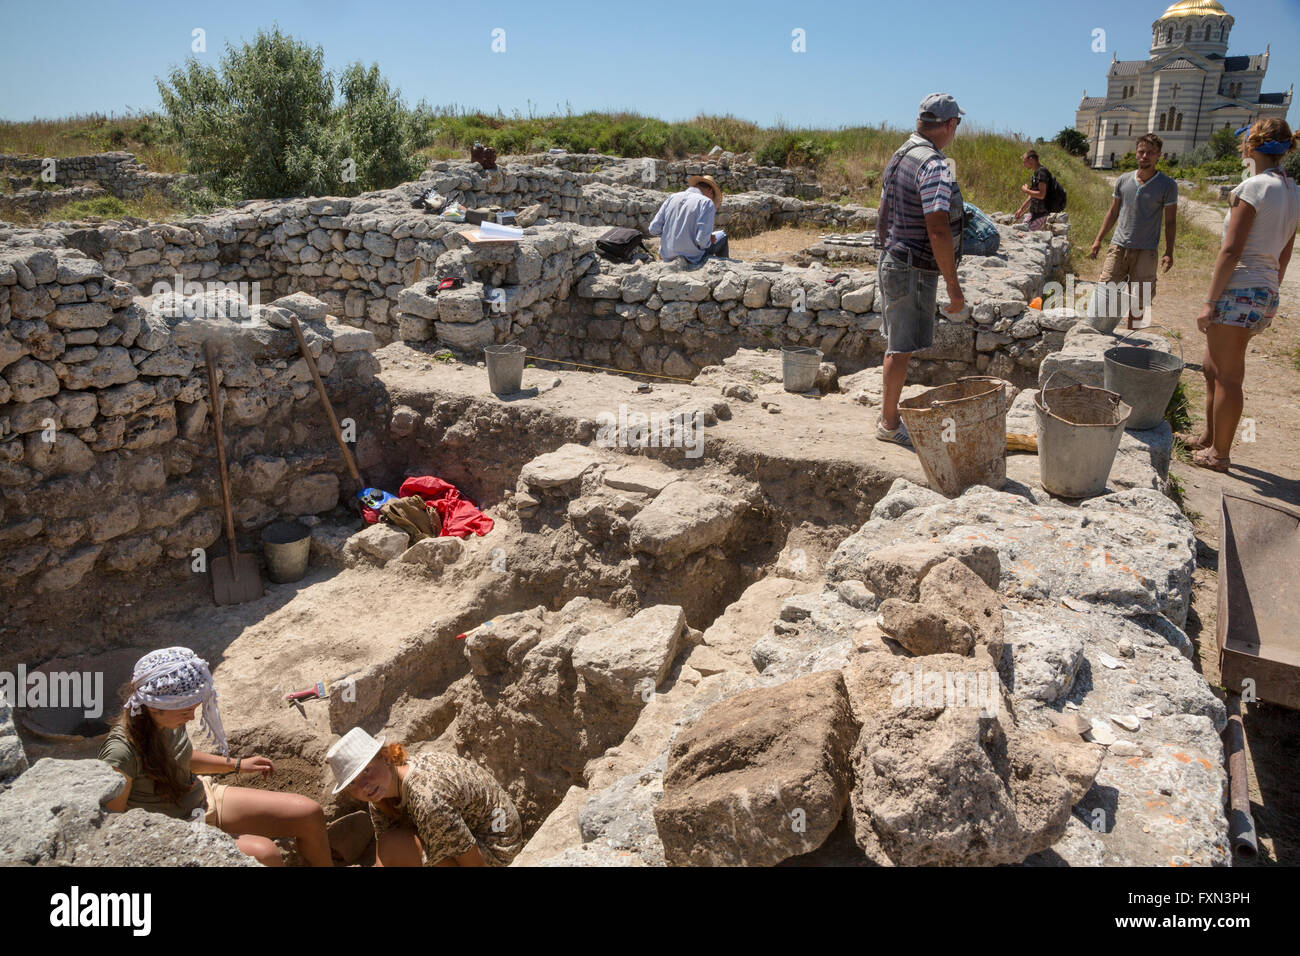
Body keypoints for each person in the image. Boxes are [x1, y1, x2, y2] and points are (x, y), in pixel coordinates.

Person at [99, 646, 332, 866]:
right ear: (154, 706)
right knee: (265, 855)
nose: (191, 718)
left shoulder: (166, 721)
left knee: (308, 814)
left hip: (200, 799)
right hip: (175, 830)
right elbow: (115, 825)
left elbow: (183, 757)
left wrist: (237, 765)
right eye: (185, 711)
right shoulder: (121, 754)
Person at [1183, 119, 1300, 472]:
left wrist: (1209, 302)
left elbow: (1231, 251)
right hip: (1262, 288)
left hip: (1240, 288)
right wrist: (1272, 290)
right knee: (1210, 367)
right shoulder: (1292, 189)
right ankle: (1209, 436)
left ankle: (1219, 454)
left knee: (1228, 377)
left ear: (1251, 147)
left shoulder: (1252, 188)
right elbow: (1285, 250)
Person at [874, 92, 969, 446]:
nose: (956, 129)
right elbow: (938, 227)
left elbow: (883, 212)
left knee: (898, 344)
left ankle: (888, 415)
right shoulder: (934, 165)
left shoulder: (900, 156)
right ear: (948, 124)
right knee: (901, 348)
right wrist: (953, 287)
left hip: (895, 258)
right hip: (912, 266)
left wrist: (889, 249)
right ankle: (888, 424)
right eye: (956, 123)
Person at [327, 727, 523, 867]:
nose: (364, 785)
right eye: (352, 783)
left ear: (385, 758)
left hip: (497, 847)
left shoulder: (428, 799)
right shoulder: (380, 793)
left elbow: (475, 864)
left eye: (367, 770)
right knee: (390, 846)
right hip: (464, 833)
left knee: (392, 847)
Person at [1089, 133, 1178, 330]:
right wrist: (1098, 240)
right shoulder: (1123, 180)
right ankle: (1098, 334)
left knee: (1140, 299)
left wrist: (1169, 252)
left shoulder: (1167, 185)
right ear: (1136, 153)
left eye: (1150, 153)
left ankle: (1133, 342)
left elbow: (1170, 221)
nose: (1145, 156)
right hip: (1119, 247)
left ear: (1158, 156)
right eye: (1141, 152)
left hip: (1146, 251)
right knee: (1106, 291)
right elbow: (1113, 212)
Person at [648, 174, 728, 264]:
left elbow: (653, 229)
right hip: (692, 258)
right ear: (710, 191)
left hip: (667, 255)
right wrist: (709, 240)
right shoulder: (706, 202)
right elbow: (702, 241)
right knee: (723, 237)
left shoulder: (672, 197)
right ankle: (722, 270)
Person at [1014, 150, 1052, 231]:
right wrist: (1021, 209)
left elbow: (1042, 195)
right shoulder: (1036, 173)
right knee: (1022, 231)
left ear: (1031, 159)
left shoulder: (1041, 173)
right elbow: (1032, 195)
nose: (1023, 164)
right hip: (1034, 211)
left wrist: (1026, 190)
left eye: (1024, 161)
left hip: (1041, 212)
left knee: (1026, 233)